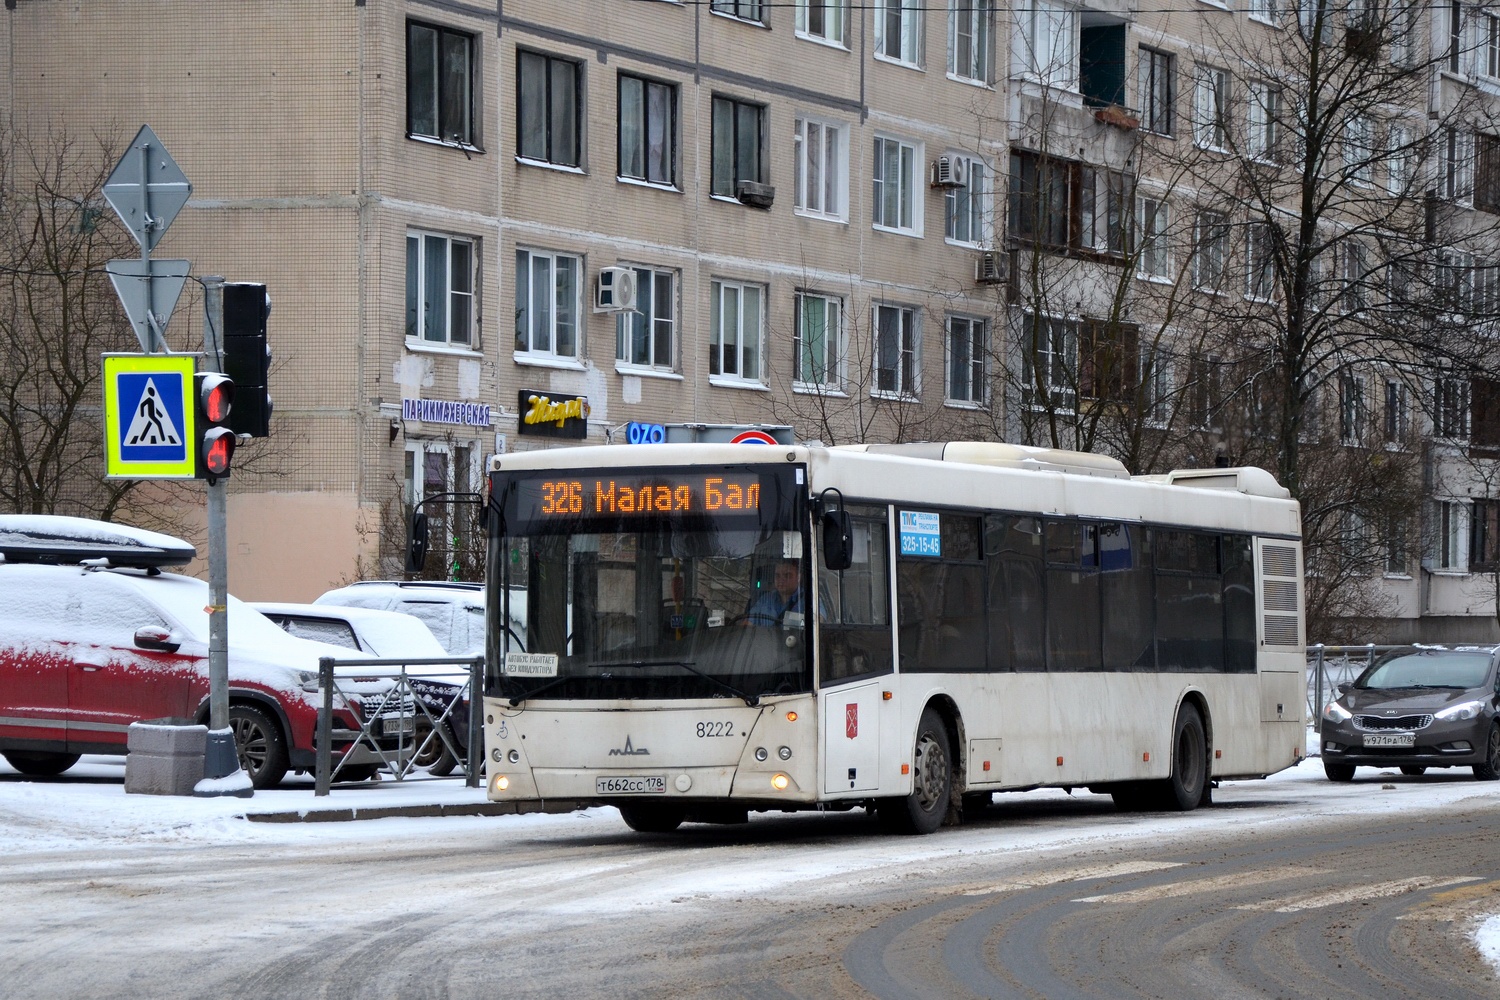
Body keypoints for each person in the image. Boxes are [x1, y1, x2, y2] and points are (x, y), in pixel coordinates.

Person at [744, 560, 802, 626]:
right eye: (777, 575)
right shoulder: (765, 599)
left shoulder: (807, 601)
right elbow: (747, 625)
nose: (781, 580)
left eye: (787, 575)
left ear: (798, 577)